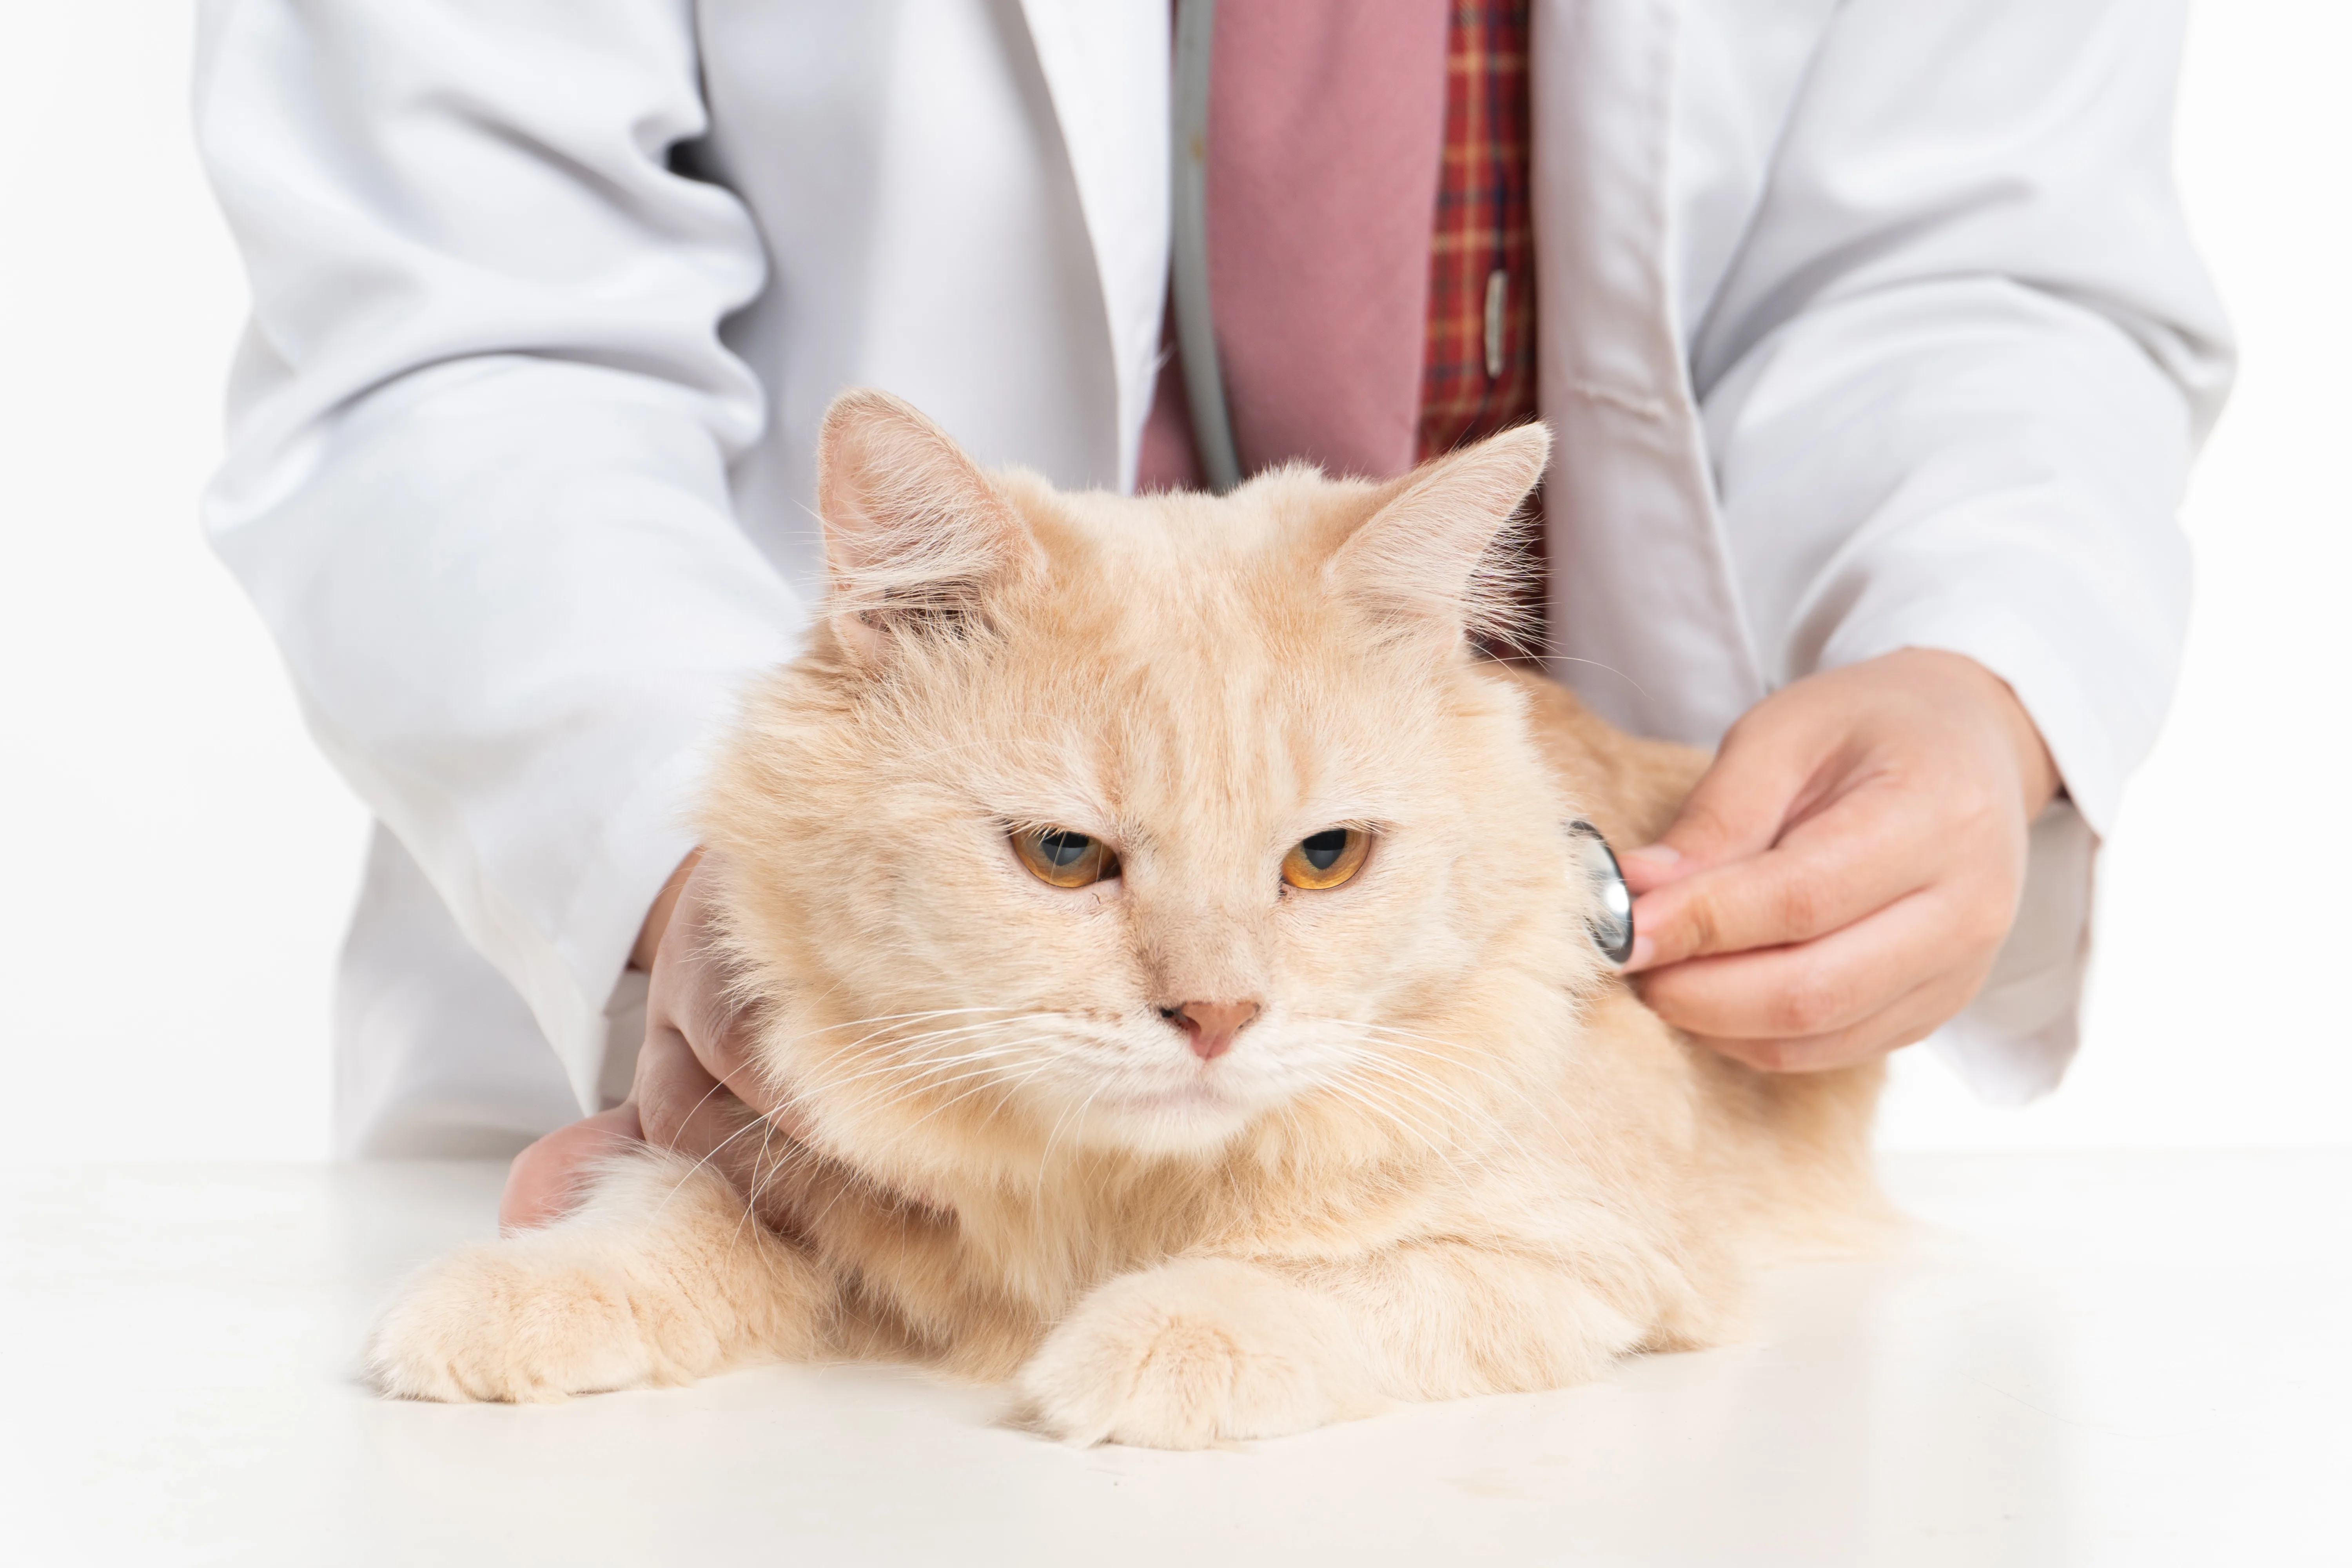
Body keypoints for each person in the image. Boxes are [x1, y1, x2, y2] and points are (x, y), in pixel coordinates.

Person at [194, 2, 2229, 1227]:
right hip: (794, 1095)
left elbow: (1982, 255)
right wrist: (708, 901)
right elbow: (457, 337)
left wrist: (1979, 660)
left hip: (1559, 1108)